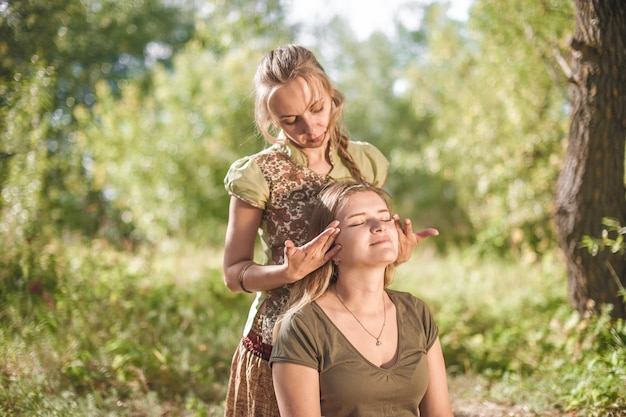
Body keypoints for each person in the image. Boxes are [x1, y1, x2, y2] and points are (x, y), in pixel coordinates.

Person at [222, 44, 438, 416]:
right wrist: (287, 272)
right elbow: (233, 274)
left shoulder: (365, 162)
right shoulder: (257, 175)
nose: (310, 128)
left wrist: (395, 255)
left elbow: (368, 250)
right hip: (281, 342)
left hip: (356, 337)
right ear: (272, 120)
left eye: (317, 109)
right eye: (290, 121)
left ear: (332, 96)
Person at [271, 181, 453, 417]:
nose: (379, 227)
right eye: (358, 222)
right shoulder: (302, 326)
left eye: (385, 218)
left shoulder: (416, 311)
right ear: (330, 246)